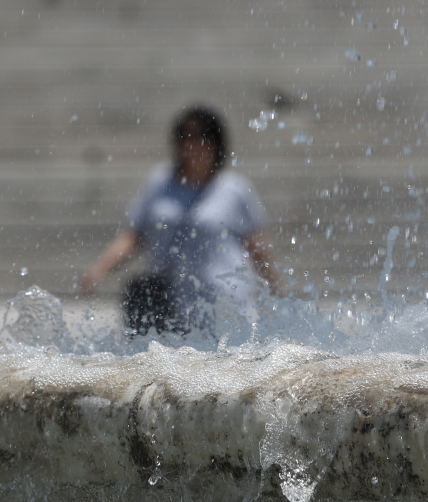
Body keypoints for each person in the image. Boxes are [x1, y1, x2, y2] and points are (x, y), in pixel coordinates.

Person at [80, 105, 283, 335]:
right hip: (169, 302)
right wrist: (99, 268)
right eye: (185, 136)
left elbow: (257, 244)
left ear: (217, 142)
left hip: (223, 304)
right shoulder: (160, 183)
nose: (193, 144)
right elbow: (135, 235)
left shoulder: (234, 189)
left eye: (202, 136)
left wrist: (275, 287)